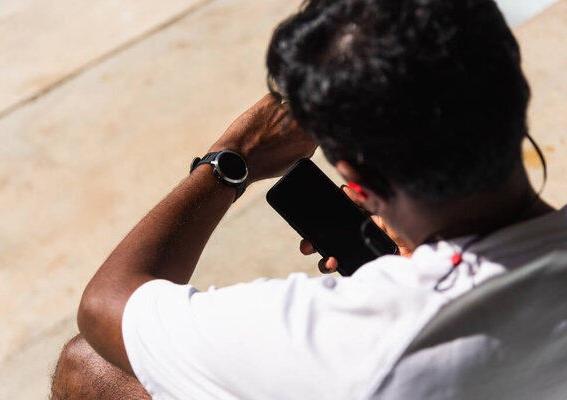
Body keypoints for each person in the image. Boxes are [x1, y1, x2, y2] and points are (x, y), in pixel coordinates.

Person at [51, 0, 567, 398]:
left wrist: (232, 160)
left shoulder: (356, 337)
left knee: (90, 370)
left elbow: (105, 308)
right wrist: (414, 257)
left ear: (357, 185)